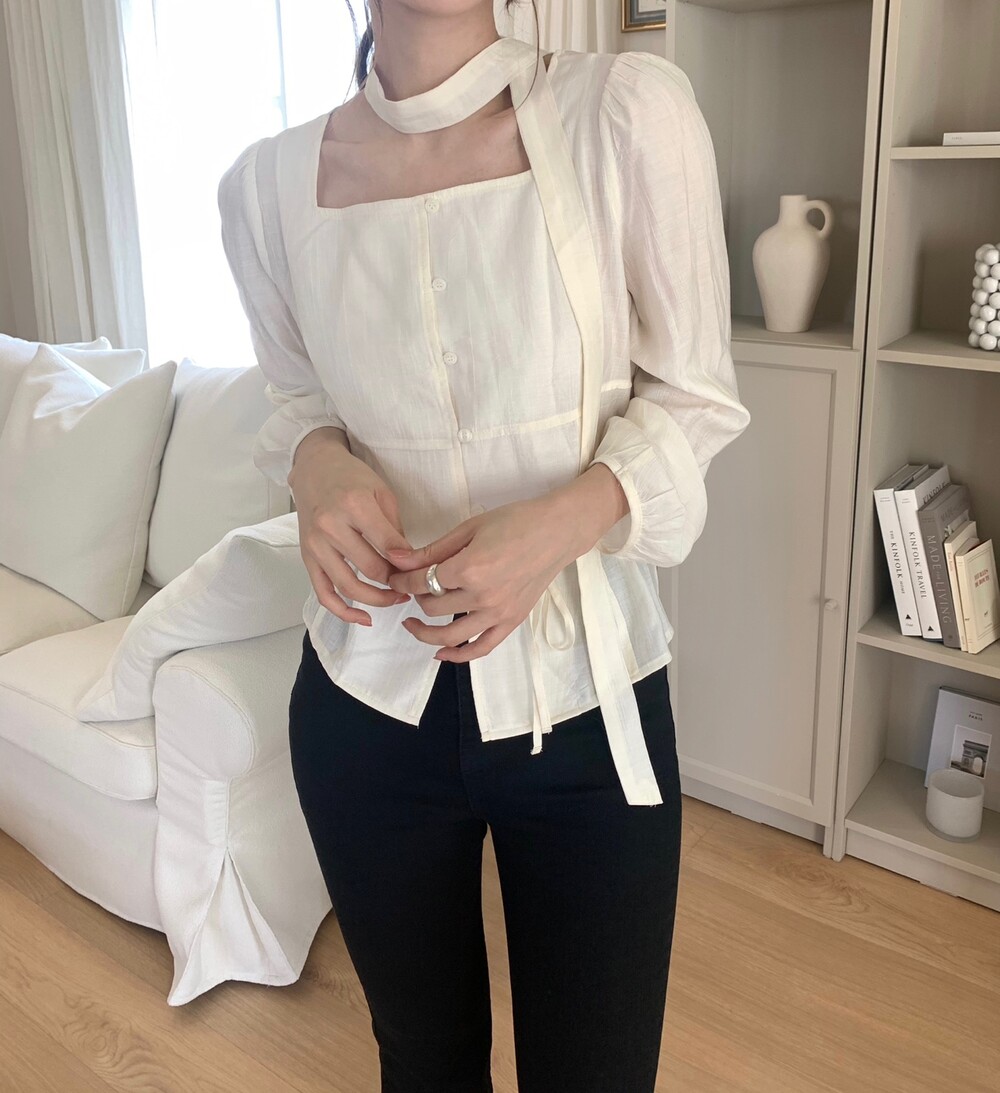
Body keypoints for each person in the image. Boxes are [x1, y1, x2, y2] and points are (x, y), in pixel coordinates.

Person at [217, 1, 751, 1089]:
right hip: (362, 706)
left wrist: (561, 523)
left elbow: (696, 398)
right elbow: (296, 400)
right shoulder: (265, 187)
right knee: (422, 1062)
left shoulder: (624, 118)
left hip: (588, 704)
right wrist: (315, 464)